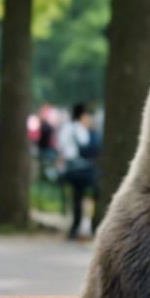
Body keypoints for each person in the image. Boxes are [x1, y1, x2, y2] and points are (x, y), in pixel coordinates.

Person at [58, 102, 99, 241]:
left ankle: (74, 227)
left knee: (76, 198)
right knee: (87, 195)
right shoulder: (80, 128)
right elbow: (86, 146)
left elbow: (61, 146)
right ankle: (84, 226)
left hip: (70, 168)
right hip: (82, 169)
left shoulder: (66, 127)